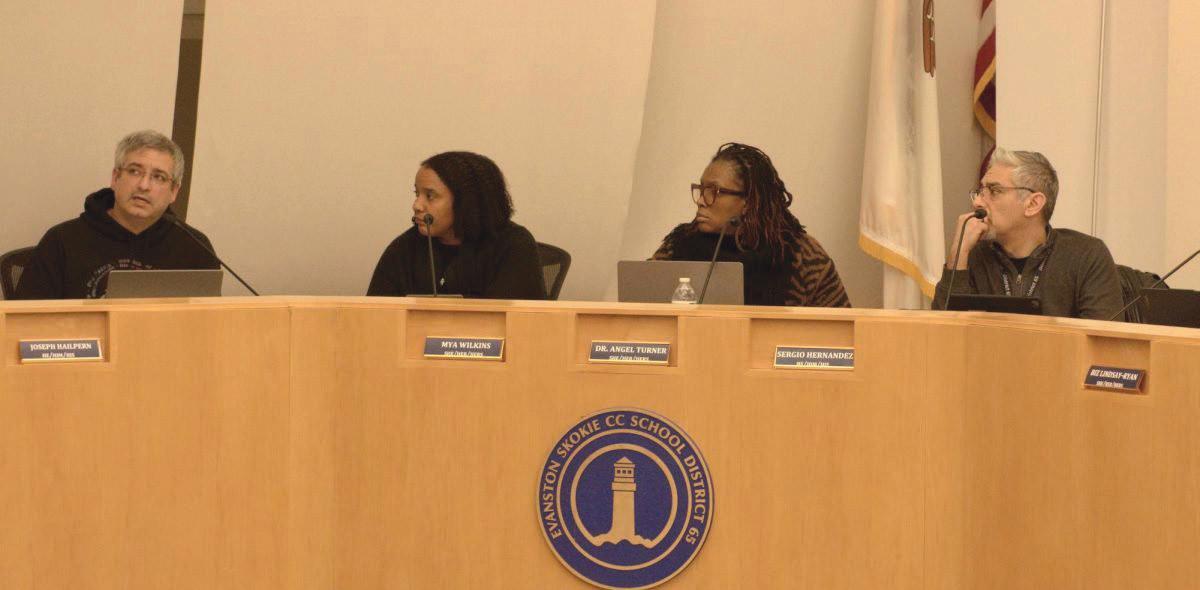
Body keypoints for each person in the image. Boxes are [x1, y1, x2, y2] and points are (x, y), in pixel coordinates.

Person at [14, 130, 218, 299]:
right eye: (134, 171)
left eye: (158, 177)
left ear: (174, 191)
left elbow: (209, 325)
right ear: (115, 177)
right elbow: (24, 324)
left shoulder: (195, 248)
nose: (144, 185)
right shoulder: (62, 241)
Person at [650, 142, 850, 307]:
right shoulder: (678, 246)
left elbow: (840, 332)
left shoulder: (802, 255)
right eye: (701, 189)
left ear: (748, 201)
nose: (701, 200)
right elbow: (642, 310)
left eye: (714, 191)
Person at [933, 148, 1123, 319]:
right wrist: (959, 253)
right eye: (981, 191)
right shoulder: (972, 255)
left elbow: (1102, 341)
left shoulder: (1086, 255)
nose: (977, 202)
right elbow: (944, 335)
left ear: (1033, 204)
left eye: (994, 190)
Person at [367, 151, 546, 299]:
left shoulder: (513, 245)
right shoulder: (405, 247)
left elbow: (517, 322)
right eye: (417, 194)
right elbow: (376, 314)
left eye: (430, 196)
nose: (417, 205)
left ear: (465, 202)